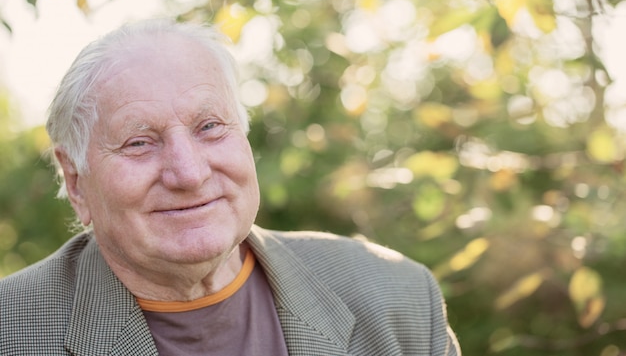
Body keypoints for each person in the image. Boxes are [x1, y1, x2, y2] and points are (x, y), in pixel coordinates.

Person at [0, 18, 460, 356]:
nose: (190, 173)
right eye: (140, 142)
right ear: (76, 181)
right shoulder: (12, 331)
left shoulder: (398, 296)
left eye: (210, 127)